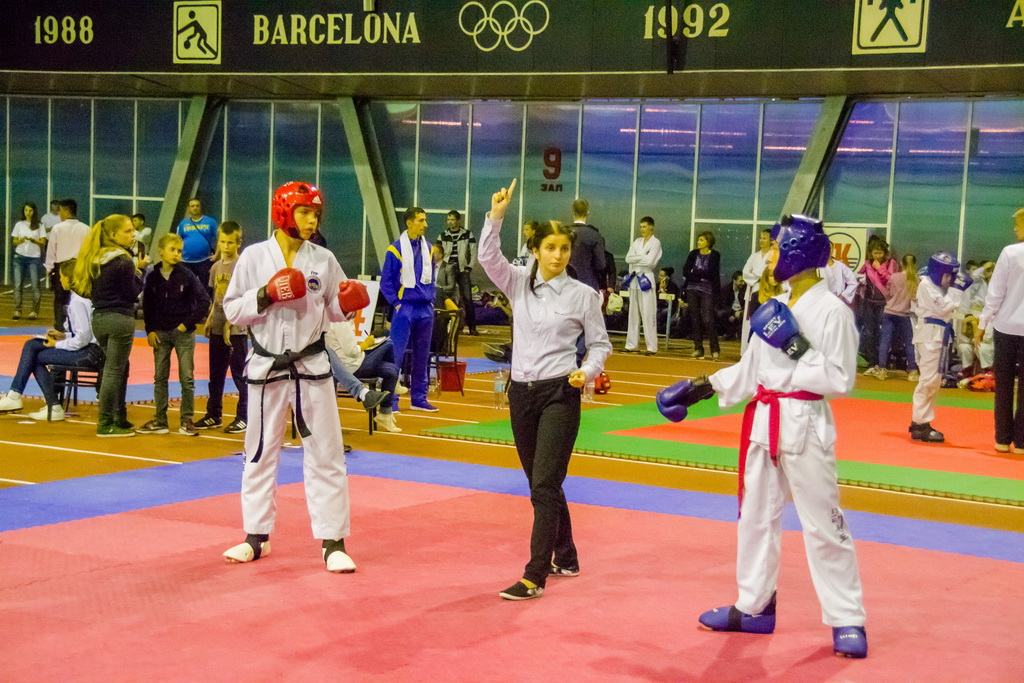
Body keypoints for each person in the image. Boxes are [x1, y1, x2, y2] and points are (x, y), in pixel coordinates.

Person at [655, 214, 869, 659]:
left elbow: (840, 378)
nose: (769, 257)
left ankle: (847, 616)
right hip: (763, 420)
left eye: (774, 248)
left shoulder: (833, 312)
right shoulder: (774, 306)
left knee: (824, 523)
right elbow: (751, 370)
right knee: (754, 518)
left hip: (805, 422)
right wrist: (700, 388)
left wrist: (795, 345)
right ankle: (754, 606)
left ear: (795, 254)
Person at [221, 181, 369, 573]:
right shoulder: (254, 257)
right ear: (284, 212)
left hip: (311, 366)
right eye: (304, 212)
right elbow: (232, 309)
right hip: (267, 366)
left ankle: (333, 542)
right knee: (258, 452)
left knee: (327, 454)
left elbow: (335, 309)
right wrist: (265, 295)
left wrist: (348, 304)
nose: (311, 221)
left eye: (316, 214)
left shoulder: (323, 259)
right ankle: (256, 536)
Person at [478, 178, 612, 602]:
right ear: (535, 249)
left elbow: (600, 345)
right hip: (520, 393)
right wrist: (496, 216)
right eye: (550, 247)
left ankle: (535, 574)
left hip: (560, 394)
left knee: (544, 486)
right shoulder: (517, 281)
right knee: (543, 483)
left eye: (564, 248)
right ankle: (566, 556)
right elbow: (487, 257)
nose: (558, 255)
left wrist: (587, 371)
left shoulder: (584, 296)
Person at [0, 259, 103, 421]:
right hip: (90, 349)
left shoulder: (78, 301)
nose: (60, 280)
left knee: (35, 357)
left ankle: (42, 402)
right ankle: (21, 397)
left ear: (69, 278)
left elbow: (83, 339)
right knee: (32, 345)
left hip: (88, 353)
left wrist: (58, 344)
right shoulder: (81, 297)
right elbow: (85, 334)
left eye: (61, 277)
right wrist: (63, 336)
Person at [73, 214, 145, 437]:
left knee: (118, 368)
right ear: (113, 234)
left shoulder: (95, 257)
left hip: (99, 319)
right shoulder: (123, 260)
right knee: (114, 371)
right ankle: (105, 423)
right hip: (119, 318)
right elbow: (132, 292)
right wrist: (140, 271)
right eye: (127, 231)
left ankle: (119, 417)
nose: (132, 235)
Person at [137, 233, 211, 437]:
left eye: (179, 251)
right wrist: (150, 330)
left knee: (187, 378)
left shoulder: (187, 275)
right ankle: (160, 420)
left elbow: (204, 301)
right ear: (161, 251)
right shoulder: (152, 277)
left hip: (183, 334)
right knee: (160, 377)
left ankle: (187, 420)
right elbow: (148, 306)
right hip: (160, 333)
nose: (176, 254)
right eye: (172, 250)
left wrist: (186, 325)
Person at [910, 253, 973, 443]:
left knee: (934, 380)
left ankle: (921, 422)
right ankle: (920, 425)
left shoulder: (935, 285)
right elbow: (944, 307)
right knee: (929, 380)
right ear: (938, 273)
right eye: (947, 276)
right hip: (930, 334)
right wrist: (957, 289)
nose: (950, 280)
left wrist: (955, 288)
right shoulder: (926, 285)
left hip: (937, 333)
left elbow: (952, 307)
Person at [976, 208, 1024, 454]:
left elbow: (995, 293)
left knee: (1003, 384)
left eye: (1017, 225)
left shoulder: (1010, 252)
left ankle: (1003, 439)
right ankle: (1022, 442)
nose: (1014, 229)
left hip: (1006, 326)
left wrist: (982, 323)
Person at [381, 207, 438, 413]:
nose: (425, 224)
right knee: (395, 355)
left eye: (425, 220)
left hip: (425, 309)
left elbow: (432, 279)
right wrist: (397, 303)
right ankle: (391, 400)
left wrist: (432, 300)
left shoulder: (429, 249)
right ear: (409, 223)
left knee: (423, 356)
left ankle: (419, 398)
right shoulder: (395, 250)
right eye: (421, 220)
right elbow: (386, 282)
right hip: (404, 308)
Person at [196, 221, 249, 434]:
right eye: (223, 242)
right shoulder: (216, 267)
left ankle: (243, 416)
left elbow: (243, 300)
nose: (226, 247)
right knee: (215, 375)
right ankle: (213, 414)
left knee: (239, 374)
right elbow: (216, 297)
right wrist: (210, 319)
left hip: (236, 330)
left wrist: (230, 324)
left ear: (238, 243)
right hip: (218, 326)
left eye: (230, 243)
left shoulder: (241, 267)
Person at [325, 321, 401, 433]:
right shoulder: (341, 323)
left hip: (356, 361)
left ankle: (385, 414)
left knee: (392, 371)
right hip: (352, 367)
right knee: (388, 343)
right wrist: (366, 344)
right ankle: (394, 386)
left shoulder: (340, 321)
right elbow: (351, 352)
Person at [45, 199, 91, 329]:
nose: (59, 214)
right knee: (80, 298)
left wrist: (49, 268)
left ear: (65, 211)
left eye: (60, 210)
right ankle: (78, 326)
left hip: (62, 268)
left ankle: (60, 327)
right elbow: (89, 251)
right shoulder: (86, 229)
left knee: (60, 299)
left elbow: (51, 250)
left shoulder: (57, 228)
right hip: (80, 267)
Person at [858, 238, 898, 378]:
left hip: (883, 302)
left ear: (885, 252)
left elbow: (891, 279)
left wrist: (879, 268)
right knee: (869, 333)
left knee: (882, 333)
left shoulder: (891, 263)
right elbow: (860, 275)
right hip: (868, 302)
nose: (877, 256)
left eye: (880, 253)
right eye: (875, 253)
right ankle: (871, 363)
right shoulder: (867, 264)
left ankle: (882, 364)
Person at [436, 210, 479, 335]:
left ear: (458, 221)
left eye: (452, 219)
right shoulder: (442, 235)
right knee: (446, 297)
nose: (450, 222)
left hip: (462, 270)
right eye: (448, 219)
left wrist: (469, 267)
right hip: (447, 269)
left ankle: (472, 327)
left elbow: (473, 251)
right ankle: (448, 327)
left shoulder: (467, 234)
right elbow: (437, 251)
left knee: (467, 298)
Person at [876, 254, 919, 381]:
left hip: (889, 312)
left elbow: (888, 293)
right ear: (914, 264)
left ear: (901, 263)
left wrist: (892, 302)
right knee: (909, 342)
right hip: (904, 314)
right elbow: (915, 298)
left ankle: (882, 370)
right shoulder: (915, 279)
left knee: (885, 341)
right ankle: (912, 371)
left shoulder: (894, 277)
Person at [623, 216, 662, 355]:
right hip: (634, 279)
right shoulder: (637, 241)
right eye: (640, 227)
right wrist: (642, 257)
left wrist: (637, 258)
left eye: (644, 226)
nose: (642, 229)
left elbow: (650, 262)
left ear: (651, 227)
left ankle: (651, 347)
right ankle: (631, 344)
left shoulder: (655, 243)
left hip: (646, 279)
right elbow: (628, 258)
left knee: (648, 314)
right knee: (633, 314)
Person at [683, 231, 722, 359]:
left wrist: (695, 273)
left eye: (701, 240)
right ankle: (698, 348)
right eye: (698, 239)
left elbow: (712, 273)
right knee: (694, 318)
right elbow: (685, 271)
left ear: (708, 242)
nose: (698, 242)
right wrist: (697, 275)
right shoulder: (693, 254)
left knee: (708, 319)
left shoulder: (715, 255)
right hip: (692, 288)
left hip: (707, 289)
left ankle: (715, 349)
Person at [11, 202, 47, 320]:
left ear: (34, 211)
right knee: (18, 285)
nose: (28, 213)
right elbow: (14, 241)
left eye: (30, 210)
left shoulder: (39, 225)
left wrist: (33, 241)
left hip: (34, 258)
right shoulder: (19, 224)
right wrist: (21, 241)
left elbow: (43, 242)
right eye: (26, 210)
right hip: (19, 256)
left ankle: (34, 311)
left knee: (35, 285)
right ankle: (17, 310)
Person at [958, 261, 995, 375]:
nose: (990, 274)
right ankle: (967, 372)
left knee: (983, 345)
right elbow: (974, 276)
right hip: (973, 312)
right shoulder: (976, 281)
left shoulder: (992, 284)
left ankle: (985, 374)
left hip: (986, 314)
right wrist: (983, 267)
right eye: (988, 271)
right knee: (966, 345)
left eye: (992, 271)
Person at [740, 228, 773, 351]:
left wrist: (758, 275)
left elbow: (771, 272)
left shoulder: (773, 256)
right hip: (754, 289)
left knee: (765, 319)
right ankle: (748, 350)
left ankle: (763, 350)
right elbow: (745, 273)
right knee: (752, 320)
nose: (761, 240)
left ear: (771, 240)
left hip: (768, 290)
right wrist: (760, 277)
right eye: (760, 238)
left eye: (764, 238)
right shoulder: (754, 256)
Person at [175, 197, 218, 288]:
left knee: (205, 287)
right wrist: (177, 256)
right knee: (186, 287)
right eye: (192, 206)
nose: (195, 208)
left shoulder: (211, 222)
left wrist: (217, 254)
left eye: (197, 206)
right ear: (188, 208)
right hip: (185, 261)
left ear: (200, 207)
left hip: (204, 261)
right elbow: (177, 241)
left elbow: (220, 238)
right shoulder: (183, 223)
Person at [566, 199, 606, 292]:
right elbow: (601, 265)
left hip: (565, 283)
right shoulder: (594, 235)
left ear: (573, 212)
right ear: (588, 212)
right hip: (588, 283)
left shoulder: (564, 233)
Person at [718, 271, 746, 342]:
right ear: (734, 280)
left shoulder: (745, 289)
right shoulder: (726, 289)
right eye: (741, 281)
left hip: (741, 311)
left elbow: (746, 304)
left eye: (744, 281)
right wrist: (733, 313)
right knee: (722, 314)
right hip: (730, 311)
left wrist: (740, 312)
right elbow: (723, 305)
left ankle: (740, 334)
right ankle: (730, 334)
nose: (743, 283)